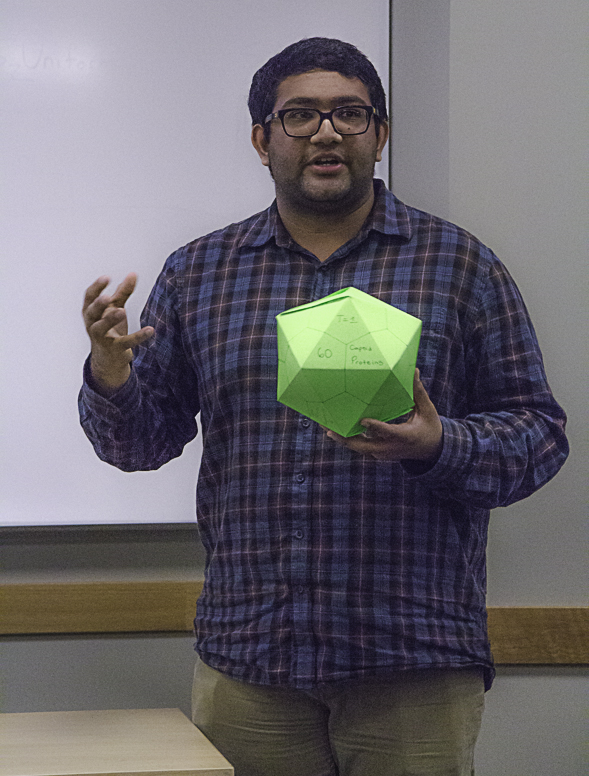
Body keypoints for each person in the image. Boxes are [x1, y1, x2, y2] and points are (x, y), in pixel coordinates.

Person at [79, 38, 568, 776]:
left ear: (380, 133)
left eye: (349, 113)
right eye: (300, 115)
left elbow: (538, 435)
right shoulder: (199, 273)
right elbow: (138, 445)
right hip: (252, 656)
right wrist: (111, 374)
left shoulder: (458, 265)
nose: (327, 132)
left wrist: (439, 445)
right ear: (262, 140)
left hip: (413, 657)